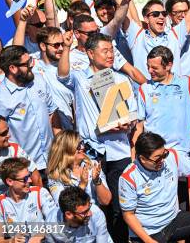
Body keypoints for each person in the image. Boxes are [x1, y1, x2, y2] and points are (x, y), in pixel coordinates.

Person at [58, 32, 138, 243]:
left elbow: (134, 115)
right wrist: (66, 48)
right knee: (97, 204)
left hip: (119, 151)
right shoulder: (79, 77)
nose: (110, 54)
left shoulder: (121, 79)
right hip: (92, 153)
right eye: (105, 51)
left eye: (111, 50)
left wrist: (125, 124)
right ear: (90, 53)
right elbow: (63, 76)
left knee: (120, 206)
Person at [135, 46, 190, 154]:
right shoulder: (144, 89)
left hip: (180, 154)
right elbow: (139, 126)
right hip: (152, 154)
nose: (150, 71)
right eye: (148, 66)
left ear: (168, 65)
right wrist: (135, 156)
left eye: (154, 68)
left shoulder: (186, 84)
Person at [0, 45, 60, 175]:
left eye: (30, 61)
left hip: (54, 160)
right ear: (12, 68)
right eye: (26, 63)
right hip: (26, 167)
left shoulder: (39, 80)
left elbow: (52, 113)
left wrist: (61, 147)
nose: (31, 66)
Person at [13, 8, 75, 130]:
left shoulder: (69, 63)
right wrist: (22, 21)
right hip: (43, 132)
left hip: (68, 130)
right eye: (56, 45)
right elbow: (15, 53)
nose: (61, 48)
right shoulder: (33, 63)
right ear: (42, 46)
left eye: (62, 44)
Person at [0, 157, 58, 242]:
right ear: (10, 181)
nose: (30, 180)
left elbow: (55, 224)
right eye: (25, 179)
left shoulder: (40, 193)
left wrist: (39, 235)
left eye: (29, 176)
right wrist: (11, 241)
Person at [70, 14, 146, 86]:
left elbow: (132, 71)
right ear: (77, 34)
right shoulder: (69, 58)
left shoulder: (109, 49)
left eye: (96, 31)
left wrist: (150, 89)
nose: (95, 36)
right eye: (90, 33)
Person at [48, 130, 112, 207]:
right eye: (78, 146)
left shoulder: (93, 165)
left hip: (95, 216)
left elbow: (106, 201)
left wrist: (97, 181)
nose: (82, 147)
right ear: (66, 150)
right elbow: (63, 207)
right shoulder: (55, 176)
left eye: (82, 143)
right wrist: (82, 185)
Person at [0, 114, 41, 195]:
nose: (9, 135)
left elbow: (36, 177)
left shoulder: (14, 149)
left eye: (7, 131)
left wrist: (39, 199)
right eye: (4, 133)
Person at [48, 186, 113, 243]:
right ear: (69, 214)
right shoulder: (50, 223)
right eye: (84, 212)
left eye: (89, 207)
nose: (90, 214)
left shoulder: (97, 214)